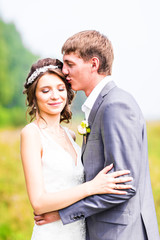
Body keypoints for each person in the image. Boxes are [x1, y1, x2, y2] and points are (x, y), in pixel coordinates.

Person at [35, 31, 160, 240]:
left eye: (70, 64)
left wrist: (63, 214)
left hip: (120, 233)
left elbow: (123, 185)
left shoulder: (115, 105)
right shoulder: (102, 105)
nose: (63, 71)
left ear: (93, 64)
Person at [20, 57, 133, 240]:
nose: (55, 96)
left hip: (79, 230)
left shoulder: (70, 135)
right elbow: (39, 202)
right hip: (52, 232)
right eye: (45, 90)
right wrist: (92, 187)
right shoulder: (31, 134)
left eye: (60, 88)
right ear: (34, 96)